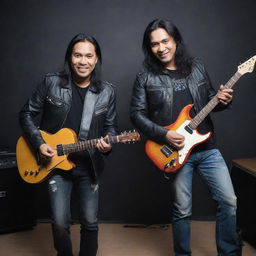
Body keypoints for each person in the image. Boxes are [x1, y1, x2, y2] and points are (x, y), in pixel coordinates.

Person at [130, 19, 241, 256]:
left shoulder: (197, 66)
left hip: (207, 147)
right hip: (175, 152)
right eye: (154, 44)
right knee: (182, 209)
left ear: (175, 40)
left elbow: (210, 100)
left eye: (165, 41)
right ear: (149, 48)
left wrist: (223, 100)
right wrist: (164, 134)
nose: (161, 48)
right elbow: (136, 115)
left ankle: (229, 253)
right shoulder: (145, 77)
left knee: (229, 201)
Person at [19, 33, 118, 256]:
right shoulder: (51, 82)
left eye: (89, 56)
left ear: (96, 59)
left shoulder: (107, 91)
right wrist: (39, 144)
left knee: (90, 222)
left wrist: (108, 145)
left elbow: (111, 129)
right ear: (69, 57)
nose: (83, 61)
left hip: (88, 165)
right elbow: (26, 114)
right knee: (60, 223)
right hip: (54, 164)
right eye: (77, 55)